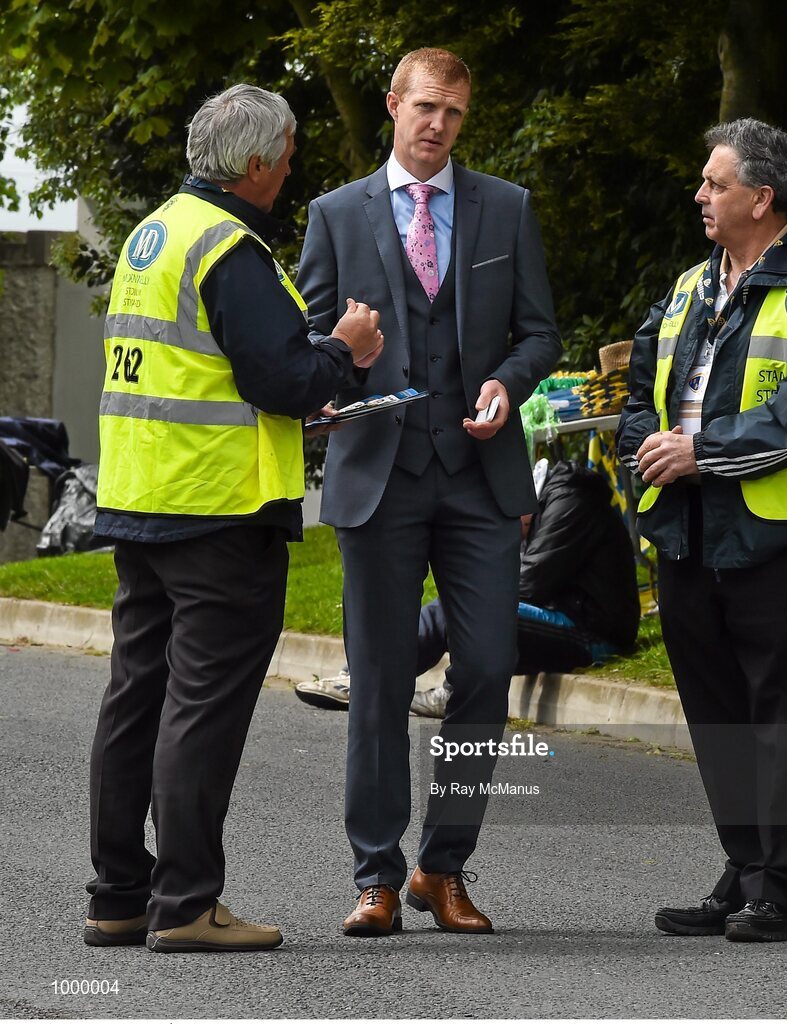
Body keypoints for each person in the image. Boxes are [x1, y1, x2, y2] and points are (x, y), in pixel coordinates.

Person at [85, 84, 383, 953]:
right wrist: (348, 349)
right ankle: (186, 907)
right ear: (254, 163)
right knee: (200, 710)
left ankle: (117, 895)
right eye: (287, 153)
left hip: (145, 502)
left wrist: (306, 380)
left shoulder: (157, 233)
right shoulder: (231, 246)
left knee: (135, 700)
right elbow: (280, 378)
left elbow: (203, 375)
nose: (293, 165)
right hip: (219, 513)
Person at [296, 47, 562, 936]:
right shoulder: (336, 214)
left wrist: (508, 385)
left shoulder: (507, 208)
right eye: (424, 108)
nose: (438, 124)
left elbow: (539, 335)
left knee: (487, 667)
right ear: (392, 105)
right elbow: (309, 340)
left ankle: (442, 869)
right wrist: (345, 354)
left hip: (481, 478)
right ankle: (375, 874)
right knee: (376, 681)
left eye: (453, 111)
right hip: (379, 475)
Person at [617, 118, 787, 942]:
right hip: (687, 533)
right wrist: (641, 465)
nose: (700, 195)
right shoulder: (691, 285)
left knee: (786, 717)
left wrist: (702, 454)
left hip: (780, 539)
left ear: (761, 199)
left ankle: (783, 887)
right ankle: (746, 867)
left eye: (715, 184)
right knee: (718, 712)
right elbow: (638, 392)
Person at [295, 459, 640, 715]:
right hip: (566, 614)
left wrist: (472, 589)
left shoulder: (570, 502)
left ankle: (373, 677)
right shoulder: (551, 500)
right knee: (458, 604)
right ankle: (368, 674)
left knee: (459, 608)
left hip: (593, 633)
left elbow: (530, 581)